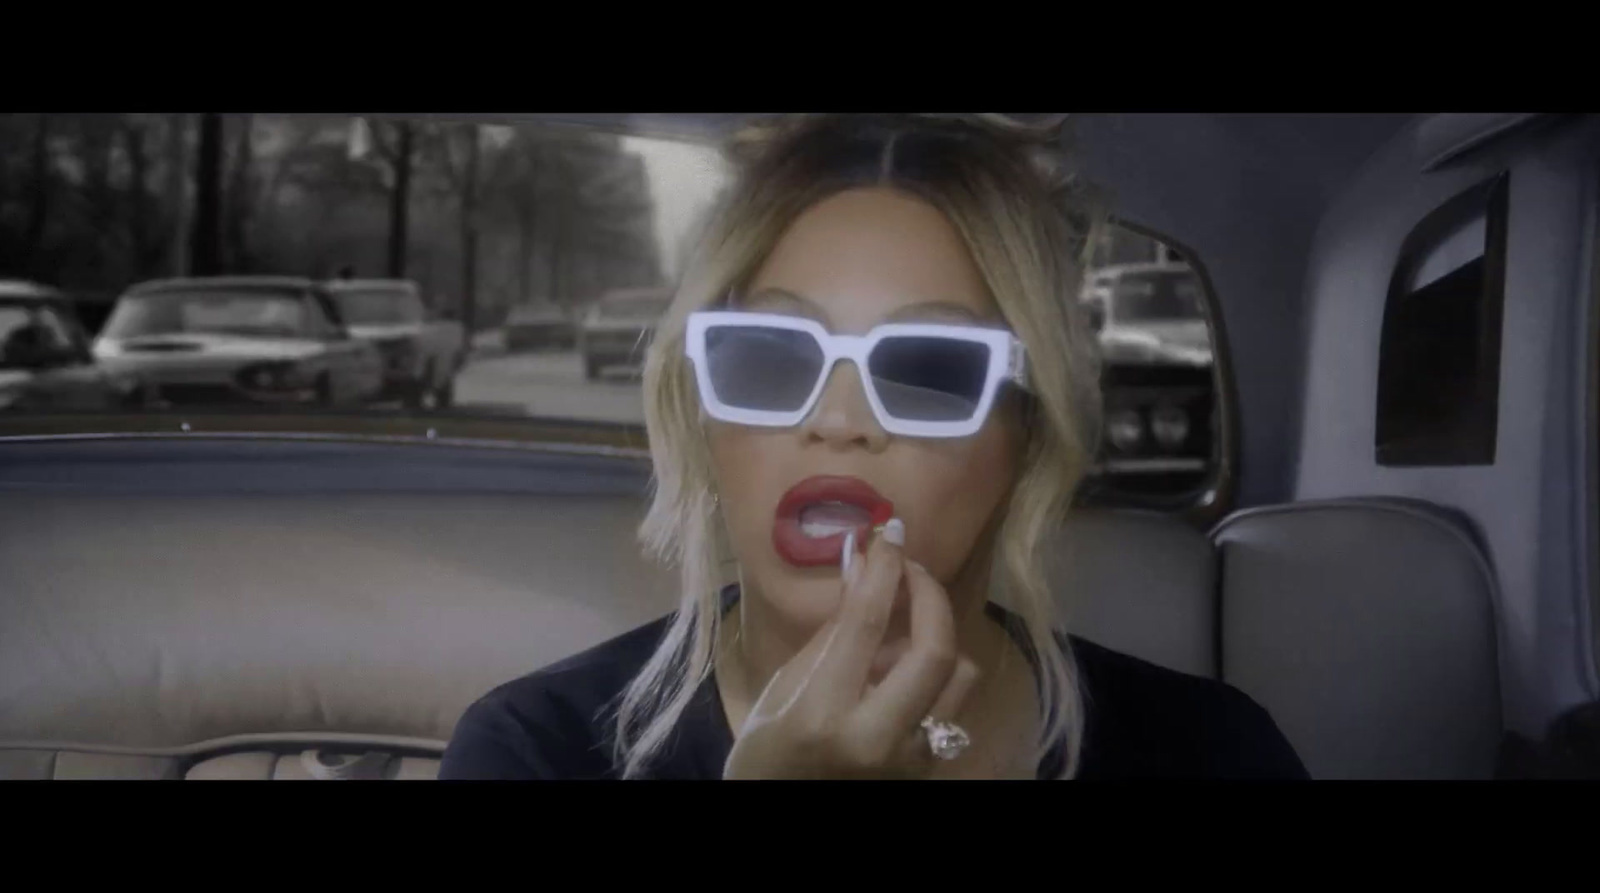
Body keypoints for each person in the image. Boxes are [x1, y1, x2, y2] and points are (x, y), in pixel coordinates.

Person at [440, 113, 1308, 780]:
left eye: (929, 368)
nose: (839, 418)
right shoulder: (535, 750)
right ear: (704, 418)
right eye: (772, 358)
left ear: (1026, 439)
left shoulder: (1209, 749)